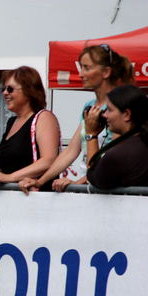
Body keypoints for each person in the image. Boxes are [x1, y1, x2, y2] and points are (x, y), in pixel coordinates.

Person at [87, 84, 148, 296]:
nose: (104, 115)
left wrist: (90, 134)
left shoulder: (125, 151)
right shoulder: (137, 142)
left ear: (127, 114)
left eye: (109, 110)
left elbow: (95, 175)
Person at [19, 45, 134, 194]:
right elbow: (71, 151)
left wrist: (77, 183)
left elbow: (117, 158)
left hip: (106, 188)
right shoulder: (89, 106)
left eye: (86, 68)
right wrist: (40, 181)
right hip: (88, 187)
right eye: (81, 68)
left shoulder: (120, 106)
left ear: (106, 72)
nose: (80, 74)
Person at [0, 66, 60, 190]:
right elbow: (4, 169)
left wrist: (12, 177)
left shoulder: (44, 117)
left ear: (28, 91)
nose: (5, 93)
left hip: (38, 197)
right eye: (3, 89)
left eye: (10, 89)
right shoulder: (12, 122)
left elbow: (49, 160)